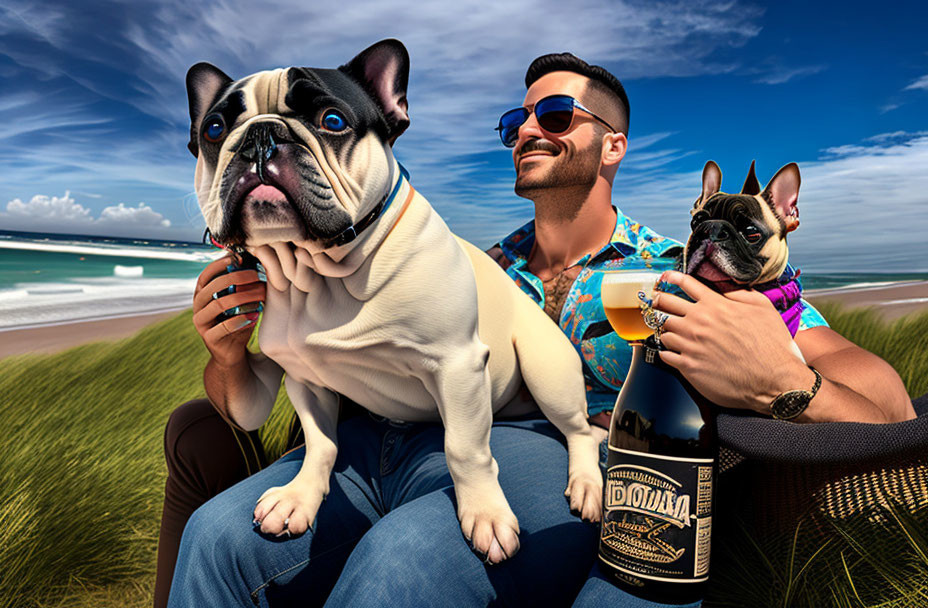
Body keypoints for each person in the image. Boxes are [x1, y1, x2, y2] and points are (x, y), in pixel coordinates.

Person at [158, 53, 915, 608]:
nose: (527, 130)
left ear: (614, 145)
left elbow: (887, 404)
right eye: (514, 121)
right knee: (214, 542)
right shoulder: (461, 266)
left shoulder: (683, 270)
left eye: (555, 117)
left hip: (555, 458)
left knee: (403, 566)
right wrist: (235, 352)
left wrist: (788, 384)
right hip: (387, 444)